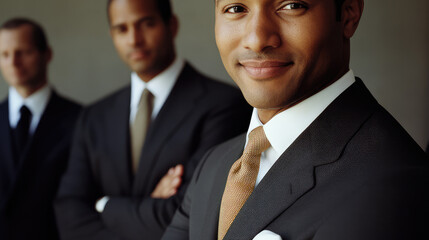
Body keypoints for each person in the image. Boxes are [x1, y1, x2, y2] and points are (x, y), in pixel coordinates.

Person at [162, 0, 429, 239]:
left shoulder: (392, 185)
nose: (256, 39)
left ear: (348, 14)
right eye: (236, 9)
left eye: (292, 5)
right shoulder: (215, 166)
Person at [54, 0, 251, 239]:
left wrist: (104, 205)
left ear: (172, 25)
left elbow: (193, 212)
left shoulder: (225, 104)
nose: (134, 39)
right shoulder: (94, 116)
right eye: (122, 29)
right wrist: (144, 210)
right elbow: (68, 211)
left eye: (146, 24)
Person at [0, 18, 82, 240]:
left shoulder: (81, 120)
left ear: (47, 54)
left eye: (23, 52)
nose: (13, 62)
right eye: (4, 55)